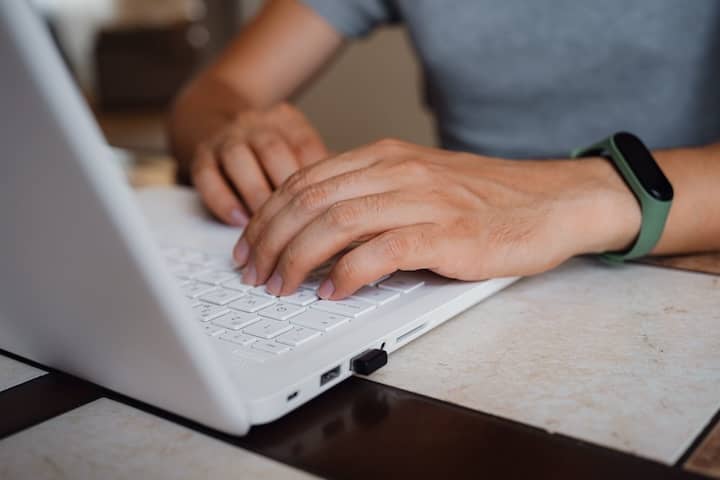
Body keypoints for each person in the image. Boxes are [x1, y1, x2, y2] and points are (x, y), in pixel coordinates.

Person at [168, 0, 720, 301]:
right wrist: (233, 131)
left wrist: (567, 196)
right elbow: (211, 96)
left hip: (684, 270)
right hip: (458, 274)